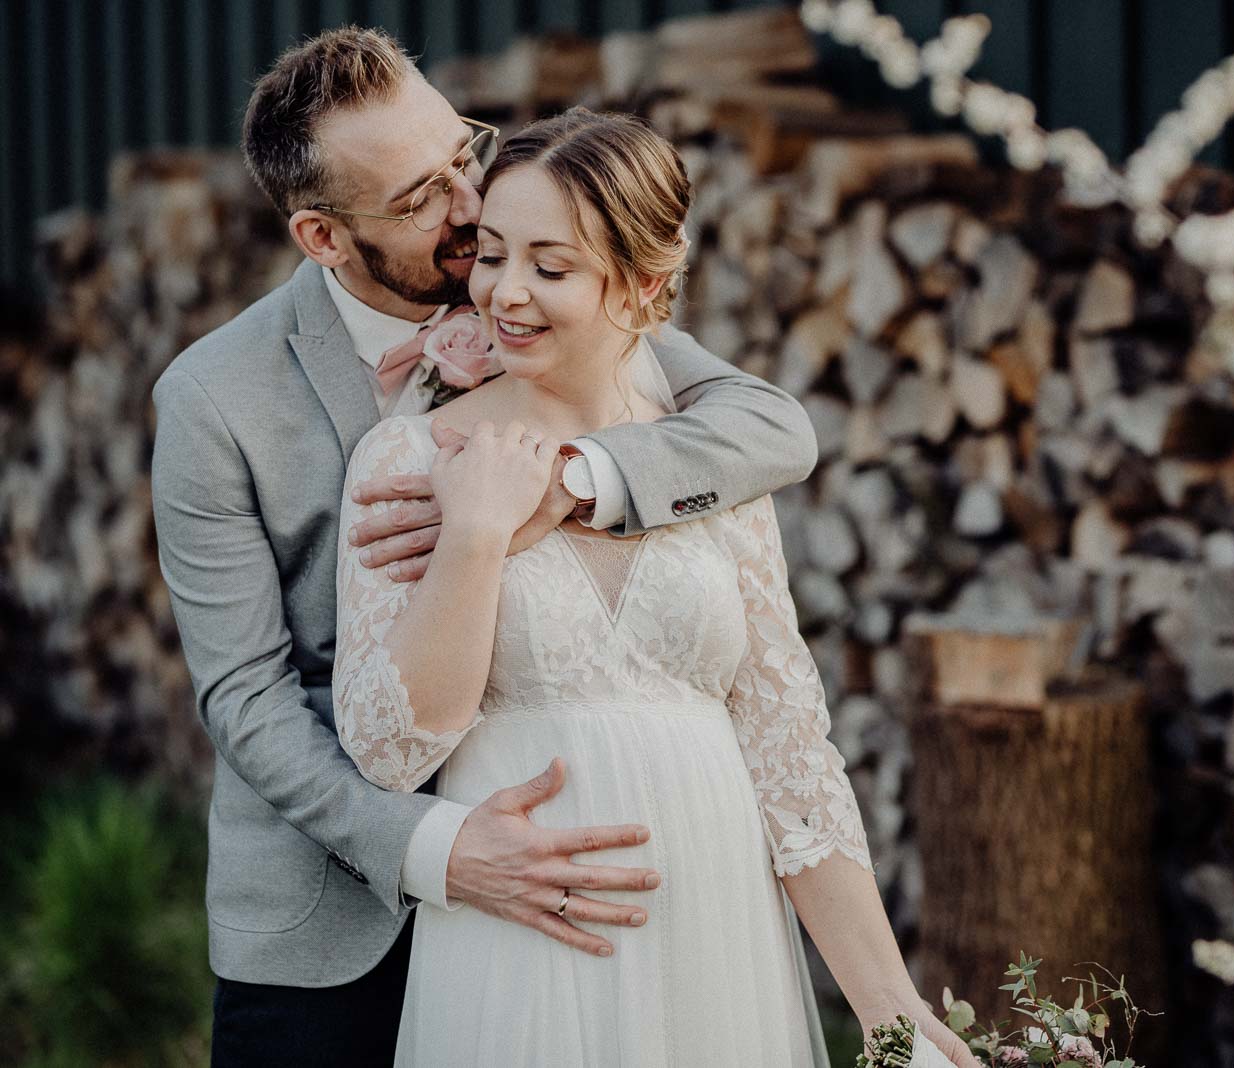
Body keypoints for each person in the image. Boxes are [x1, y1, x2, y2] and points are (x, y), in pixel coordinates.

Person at [149, 27, 819, 1066]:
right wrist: (437, 849)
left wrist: (568, 481)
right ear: (323, 238)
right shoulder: (212, 399)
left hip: (571, 890)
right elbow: (245, 696)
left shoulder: (523, 282)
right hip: (333, 917)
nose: (471, 206)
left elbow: (770, 427)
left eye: (463, 150)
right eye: (420, 198)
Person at [333, 105, 977, 1068]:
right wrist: (472, 534)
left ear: (643, 286)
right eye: (493, 254)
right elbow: (390, 744)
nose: (504, 294)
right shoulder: (413, 456)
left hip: (718, 936)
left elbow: (792, 758)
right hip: (532, 941)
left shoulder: (705, 465)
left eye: (550, 268)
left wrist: (891, 1011)